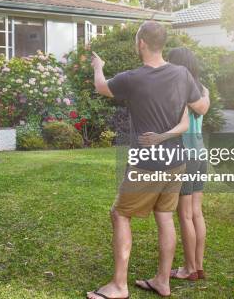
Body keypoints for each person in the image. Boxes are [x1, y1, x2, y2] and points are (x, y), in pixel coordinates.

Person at [87, 21, 210, 299]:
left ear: (141, 42)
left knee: (120, 215)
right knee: (165, 216)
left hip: (147, 161)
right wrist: (201, 93)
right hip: (177, 159)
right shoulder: (182, 74)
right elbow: (201, 107)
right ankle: (162, 281)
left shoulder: (132, 78)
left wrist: (98, 66)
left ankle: (119, 286)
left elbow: (101, 87)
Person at [138, 47, 210, 282]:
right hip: (200, 154)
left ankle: (189, 269)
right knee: (197, 214)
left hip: (185, 156)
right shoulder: (202, 90)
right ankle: (197, 266)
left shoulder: (178, 90)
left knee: (185, 215)